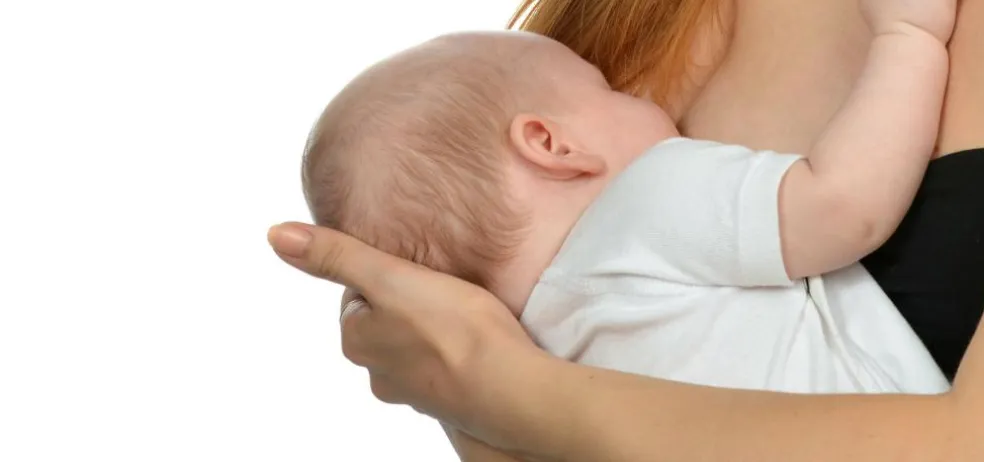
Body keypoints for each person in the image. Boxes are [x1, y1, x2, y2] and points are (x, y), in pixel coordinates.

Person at [269, 0, 984, 460]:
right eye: (607, 90)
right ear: (551, 144)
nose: (659, 115)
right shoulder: (645, 194)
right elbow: (843, 208)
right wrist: (908, 38)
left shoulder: (527, 345)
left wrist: (501, 389)